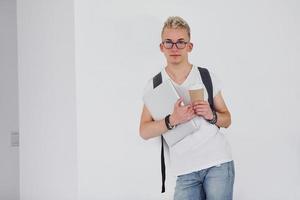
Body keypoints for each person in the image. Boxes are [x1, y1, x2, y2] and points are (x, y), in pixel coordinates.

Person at [139, 16, 235, 200]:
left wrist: (211, 115)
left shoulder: (206, 76)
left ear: (190, 46)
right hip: (185, 171)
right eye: (169, 42)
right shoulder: (154, 85)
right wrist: (172, 120)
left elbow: (227, 119)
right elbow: (144, 130)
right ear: (161, 47)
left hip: (218, 163)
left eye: (181, 42)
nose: (174, 48)